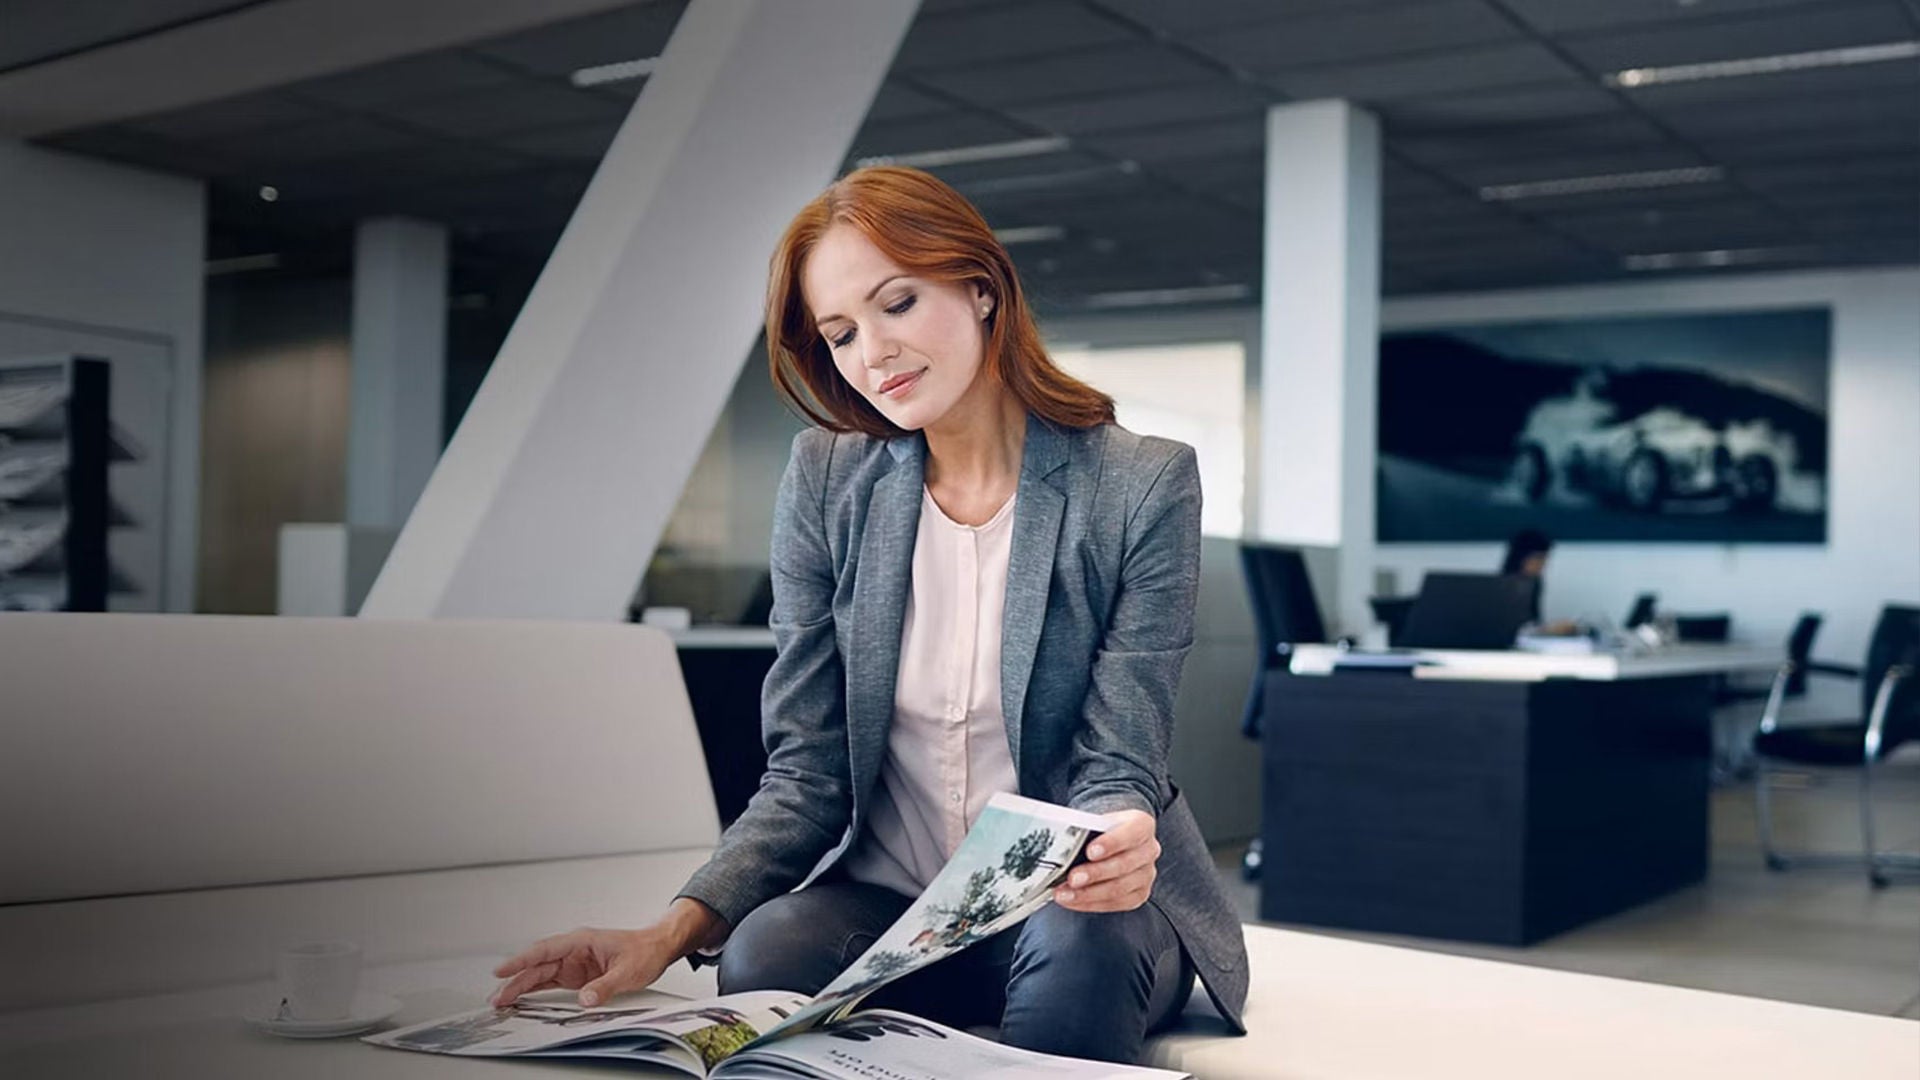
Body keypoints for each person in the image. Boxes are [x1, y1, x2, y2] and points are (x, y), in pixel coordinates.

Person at [489, 166, 1248, 1064]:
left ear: (980, 289)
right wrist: (667, 932)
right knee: (765, 949)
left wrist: (1123, 834)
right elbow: (805, 772)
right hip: (897, 912)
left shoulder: (1139, 482)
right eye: (841, 333)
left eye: (897, 303)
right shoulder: (826, 480)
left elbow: (1119, 756)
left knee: (1077, 943)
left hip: (1078, 912)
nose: (872, 352)